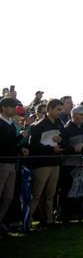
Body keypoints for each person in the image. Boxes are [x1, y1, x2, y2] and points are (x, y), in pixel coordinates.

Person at [27, 98, 65, 228]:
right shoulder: (38, 125)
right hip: (42, 164)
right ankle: (27, 221)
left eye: (61, 109)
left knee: (51, 195)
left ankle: (49, 220)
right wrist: (51, 149)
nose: (60, 112)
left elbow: (65, 141)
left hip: (55, 163)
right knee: (36, 194)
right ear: (49, 109)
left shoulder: (60, 124)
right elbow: (33, 146)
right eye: (58, 109)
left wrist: (61, 140)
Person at [60, 105, 83, 222]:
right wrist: (74, 149)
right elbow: (62, 148)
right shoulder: (66, 129)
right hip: (70, 165)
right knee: (68, 191)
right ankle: (66, 215)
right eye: (81, 114)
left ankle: (81, 214)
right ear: (73, 115)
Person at [0, 98, 23, 234]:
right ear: (3, 107)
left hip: (12, 164)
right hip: (2, 164)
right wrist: (20, 137)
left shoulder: (11, 124)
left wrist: (21, 149)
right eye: (12, 107)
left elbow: (12, 145)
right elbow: (5, 144)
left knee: (8, 197)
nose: (15, 109)